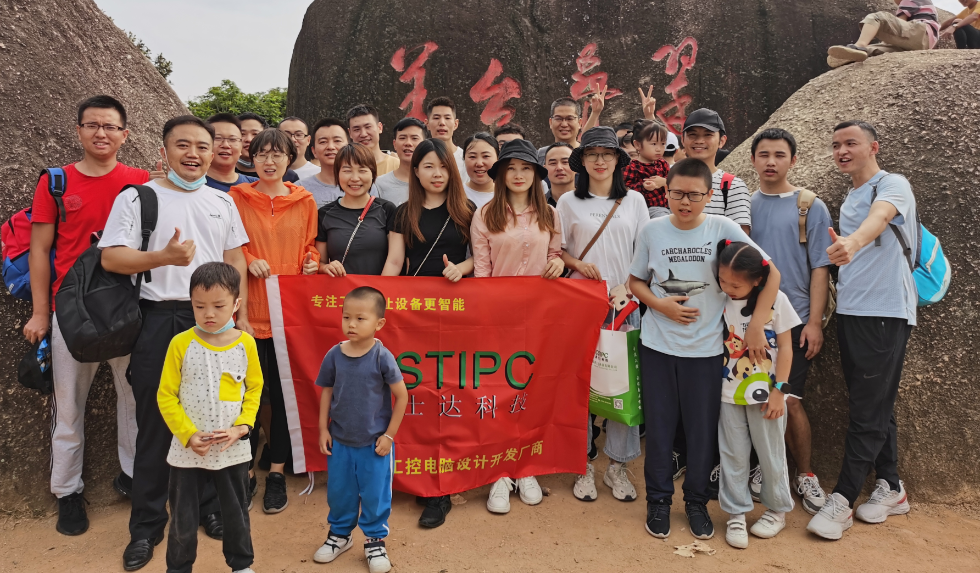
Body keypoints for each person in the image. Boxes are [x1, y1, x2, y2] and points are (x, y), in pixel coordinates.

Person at [100, 115, 251, 571]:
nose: (194, 153)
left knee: (215, 415)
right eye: (182, 145)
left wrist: (238, 316)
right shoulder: (138, 197)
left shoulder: (222, 201)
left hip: (215, 323)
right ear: (163, 151)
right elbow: (111, 258)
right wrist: (162, 257)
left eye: (202, 146)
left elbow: (234, 259)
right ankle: (146, 527)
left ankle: (208, 508)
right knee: (156, 421)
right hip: (160, 317)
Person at [627, 158, 781, 541]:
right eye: (677, 193)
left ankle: (696, 502)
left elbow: (770, 272)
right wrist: (659, 305)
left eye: (694, 195)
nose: (685, 202)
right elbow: (635, 281)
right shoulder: (652, 230)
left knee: (701, 433)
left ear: (709, 195)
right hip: (658, 347)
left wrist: (757, 324)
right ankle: (658, 502)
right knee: (660, 429)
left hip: (708, 351)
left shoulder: (723, 228)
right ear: (666, 192)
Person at [23, 95, 146, 536]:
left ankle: (135, 478)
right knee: (69, 404)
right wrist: (41, 312)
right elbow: (39, 249)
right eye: (92, 125)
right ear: (78, 131)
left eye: (110, 126)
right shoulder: (56, 182)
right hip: (72, 310)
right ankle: (67, 492)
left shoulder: (140, 181)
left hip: (126, 307)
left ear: (124, 135)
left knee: (135, 400)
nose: (101, 133)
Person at [807, 121, 917, 540]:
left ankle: (843, 499)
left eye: (850, 143)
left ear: (874, 147)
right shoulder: (851, 194)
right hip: (853, 312)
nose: (842, 150)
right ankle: (891, 485)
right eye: (836, 144)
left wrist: (852, 243)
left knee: (866, 410)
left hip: (885, 312)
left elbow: (881, 217)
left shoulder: (891, 185)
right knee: (872, 401)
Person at [382, 138, 474, 529]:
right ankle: (417, 472)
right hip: (414, 318)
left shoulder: (468, 211)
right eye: (428, 166)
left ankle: (441, 487)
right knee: (417, 393)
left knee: (449, 394)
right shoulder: (403, 213)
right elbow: (394, 262)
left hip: (456, 318)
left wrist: (462, 269)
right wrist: (377, 305)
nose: (437, 174)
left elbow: (481, 257)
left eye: (443, 166)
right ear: (415, 172)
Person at [469, 139, 563, 514]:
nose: (519, 175)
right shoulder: (485, 214)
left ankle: (525, 467)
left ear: (536, 174)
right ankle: (499, 471)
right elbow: (481, 271)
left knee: (532, 392)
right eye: (511, 168)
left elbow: (554, 254)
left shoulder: (549, 214)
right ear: (501, 175)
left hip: (539, 317)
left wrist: (557, 263)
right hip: (499, 318)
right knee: (499, 393)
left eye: (526, 168)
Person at [228, 129, 320, 515]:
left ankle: (277, 472)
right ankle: (246, 471)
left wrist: (312, 261)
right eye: (262, 154)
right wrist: (249, 260)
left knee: (283, 396)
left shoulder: (305, 200)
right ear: (251, 159)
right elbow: (230, 244)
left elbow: (309, 245)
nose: (270, 161)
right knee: (247, 396)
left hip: (288, 314)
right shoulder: (236, 197)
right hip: (248, 312)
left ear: (289, 159)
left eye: (277, 154)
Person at [557, 126, 650, 505]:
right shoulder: (567, 202)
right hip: (580, 305)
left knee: (621, 386)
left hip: (624, 305)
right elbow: (558, 251)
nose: (599, 161)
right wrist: (578, 264)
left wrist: (626, 286)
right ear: (582, 161)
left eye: (607, 154)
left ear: (617, 160)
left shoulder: (635, 201)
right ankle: (582, 464)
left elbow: (644, 252)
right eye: (592, 154)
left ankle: (618, 465)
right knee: (580, 384)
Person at [748, 128, 832, 515]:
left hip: (794, 318)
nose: (771, 162)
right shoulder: (746, 205)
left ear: (793, 160)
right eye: (764, 155)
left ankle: (806, 474)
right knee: (754, 398)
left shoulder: (809, 205)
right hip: (752, 319)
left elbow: (820, 268)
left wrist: (814, 322)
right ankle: (766, 468)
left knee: (790, 400)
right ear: (753, 160)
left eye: (779, 155)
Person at [157, 262, 261, 573]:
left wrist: (242, 427)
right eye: (199, 306)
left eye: (218, 305)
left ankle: (241, 565)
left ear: (236, 304)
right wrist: (187, 434)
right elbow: (166, 395)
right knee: (183, 517)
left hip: (232, 447)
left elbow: (254, 389)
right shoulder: (181, 343)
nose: (209, 314)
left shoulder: (246, 343)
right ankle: (178, 568)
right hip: (188, 450)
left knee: (236, 512)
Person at [312, 287, 407, 573]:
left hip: (374, 445)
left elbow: (401, 396)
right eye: (346, 317)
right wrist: (323, 429)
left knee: (375, 494)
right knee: (340, 492)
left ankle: (375, 540)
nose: (351, 324)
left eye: (360, 318)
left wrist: (389, 436)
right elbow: (327, 392)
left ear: (379, 323)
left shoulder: (382, 356)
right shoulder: (334, 355)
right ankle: (340, 536)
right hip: (340, 441)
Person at [715, 240, 799, 549]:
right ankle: (736, 513)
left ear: (757, 280)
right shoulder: (719, 300)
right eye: (722, 280)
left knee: (771, 454)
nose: (728, 288)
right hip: (728, 394)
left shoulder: (778, 301)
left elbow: (787, 349)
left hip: (768, 397)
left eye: (735, 284)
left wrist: (780, 391)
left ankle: (777, 510)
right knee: (732, 455)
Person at [316, 143, 398, 277]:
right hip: (340, 289)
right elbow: (320, 262)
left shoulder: (387, 210)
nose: (354, 178)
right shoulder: (324, 214)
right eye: (347, 170)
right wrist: (326, 267)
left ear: (373, 174)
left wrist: (379, 288)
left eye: (362, 170)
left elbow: (395, 261)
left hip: (378, 289)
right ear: (337, 174)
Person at [681, 109, 751, 234]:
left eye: (708, 135)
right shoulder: (669, 182)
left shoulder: (733, 186)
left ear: (722, 141)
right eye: (692, 134)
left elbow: (740, 238)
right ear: (682, 140)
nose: (699, 141)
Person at [828, 0, 940, 66]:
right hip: (922, 44)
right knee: (873, 50)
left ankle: (859, 45)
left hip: (921, 33)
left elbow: (899, 23)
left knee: (878, 18)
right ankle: (849, 55)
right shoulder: (927, 4)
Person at [298, 118, 364, 208]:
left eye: (337, 141)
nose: (330, 147)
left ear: (349, 146)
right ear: (314, 151)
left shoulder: (363, 185)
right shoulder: (300, 189)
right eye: (323, 142)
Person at [623, 119, 671, 219]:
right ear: (638, 145)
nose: (659, 148)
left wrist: (665, 181)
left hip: (667, 207)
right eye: (654, 144)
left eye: (663, 144)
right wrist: (643, 186)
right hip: (644, 210)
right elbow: (625, 189)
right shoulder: (631, 167)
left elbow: (676, 182)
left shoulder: (663, 164)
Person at [374, 118, 428, 206]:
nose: (408, 143)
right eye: (402, 138)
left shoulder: (433, 182)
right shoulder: (379, 184)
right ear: (394, 144)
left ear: (425, 144)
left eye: (414, 138)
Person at [236, 113, 299, 183]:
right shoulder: (227, 174)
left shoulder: (288, 176)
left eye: (255, 134)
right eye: (242, 134)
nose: (249, 139)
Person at [205, 113, 258, 192]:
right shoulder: (192, 185)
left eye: (233, 139)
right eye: (218, 138)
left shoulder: (257, 185)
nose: (225, 145)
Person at [347, 104, 399, 177]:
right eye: (357, 129)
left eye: (368, 127)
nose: (363, 134)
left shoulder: (398, 166)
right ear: (350, 133)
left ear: (379, 127)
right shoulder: (344, 167)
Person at [425, 96, 468, 183]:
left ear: (455, 124)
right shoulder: (420, 157)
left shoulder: (465, 159)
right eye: (436, 118)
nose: (442, 123)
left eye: (447, 118)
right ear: (427, 124)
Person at [461, 132, 500, 211]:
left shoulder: (508, 196)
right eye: (472, 156)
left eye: (486, 156)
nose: (479, 163)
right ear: (464, 159)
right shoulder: (454, 195)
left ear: (498, 159)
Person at [536, 97, 582, 164]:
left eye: (569, 119)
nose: (564, 124)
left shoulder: (587, 154)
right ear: (551, 123)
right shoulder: (540, 156)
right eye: (558, 119)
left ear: (579, 123)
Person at [543, 142, 574, 207]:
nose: (559, 168)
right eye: (553, 163)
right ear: (545, 169)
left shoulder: (590, 202)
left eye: (565, 162)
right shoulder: (536, 205)